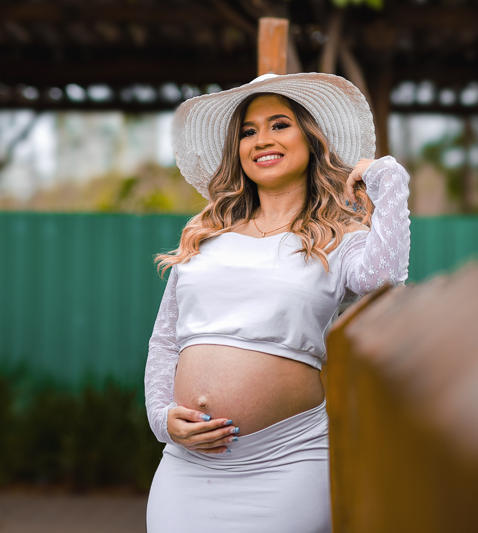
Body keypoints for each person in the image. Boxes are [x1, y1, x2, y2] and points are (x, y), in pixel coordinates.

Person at [144, 72, 411, 533]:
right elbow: (166, 341)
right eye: (249, 131)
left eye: (279, 124)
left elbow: (386, 276)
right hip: (188, 466)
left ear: (311, 137)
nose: (261, 139)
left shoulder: (339, 238)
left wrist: (389, 176)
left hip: (288, 461)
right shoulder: (205, 237)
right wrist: (162, 420)